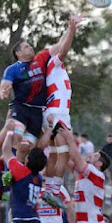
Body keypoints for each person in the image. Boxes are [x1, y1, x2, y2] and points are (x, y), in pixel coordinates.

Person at [0, 14, 82, 160]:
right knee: (16, 138)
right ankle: (7, 167)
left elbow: (60, 45)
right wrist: (3, 91)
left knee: (26, 148)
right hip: (21, 108)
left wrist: (71, 28)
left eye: (30, 45)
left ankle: (18, 175)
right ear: (18, 53)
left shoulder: (41, 58)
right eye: (26, 46)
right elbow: (5, 85)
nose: (30, 47)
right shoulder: (13, 69)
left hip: (37, 112)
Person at [41, 14, 83, 208]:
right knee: (63, 153)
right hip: (58, 113)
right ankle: (53, 192)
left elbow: (60, 43)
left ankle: (50, 190)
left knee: (54, 154)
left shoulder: (51, 67)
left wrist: (70, 27)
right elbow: (64, 48)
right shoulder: (53, 63)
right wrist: (73, 30)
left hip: (55, 112)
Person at [57, 125, 111, 223]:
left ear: (99, 164)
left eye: (94, 156)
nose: (90, 155)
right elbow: (68, 159)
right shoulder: (83, 174)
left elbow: (75, 156)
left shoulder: (96, 174)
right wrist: (57, 138)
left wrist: (69, 136)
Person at [1, 124, 47, 223]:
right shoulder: (38, 178)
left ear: (28, 160)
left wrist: (9, 133)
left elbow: (6, 151)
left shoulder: (21, 171)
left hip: (21, 221)